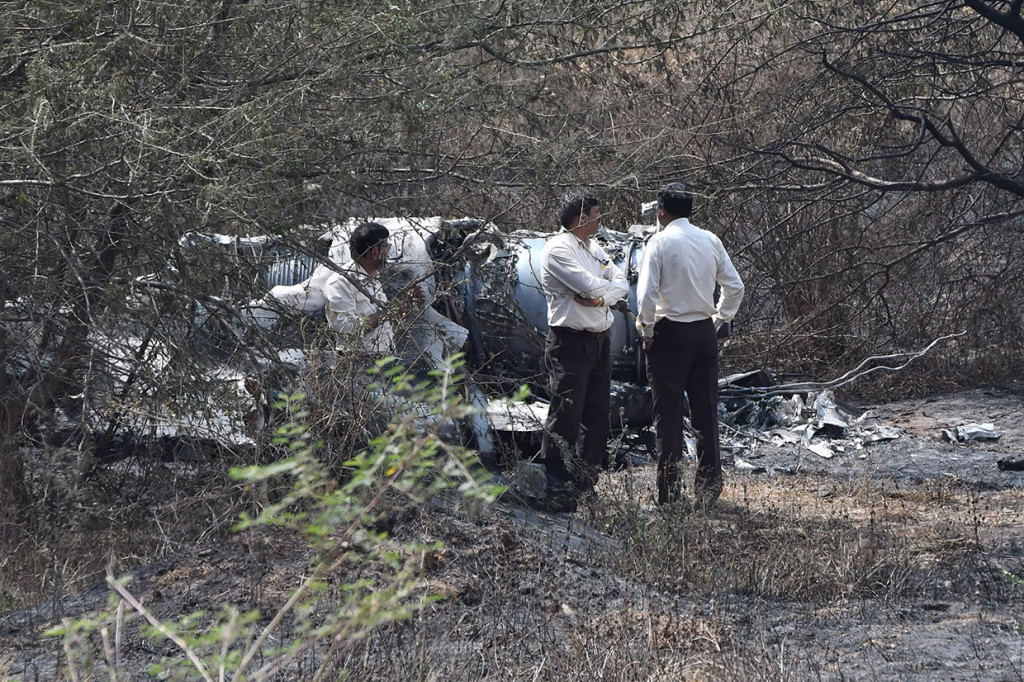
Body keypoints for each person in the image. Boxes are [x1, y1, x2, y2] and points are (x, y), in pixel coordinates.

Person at [636, 182, 744, 507]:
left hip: (669, 334)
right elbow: (735, 286)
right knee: (706, 413)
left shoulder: (659, 242)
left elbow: (645, 295)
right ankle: (709, 490)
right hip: (703, 333)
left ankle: (670, 495)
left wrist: (647, 330)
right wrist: (719, 319)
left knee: (667, 416)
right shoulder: (710, 239)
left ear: (662, 210)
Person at [538, 192, 629, 510]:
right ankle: (557, 491)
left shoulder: (593, 248)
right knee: (565, 417)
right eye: (596, 214)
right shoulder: (558, 250)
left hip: (598, 340)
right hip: (571, 342)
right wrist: (603, 291)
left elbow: (620, 282)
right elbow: (589, 286)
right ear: (581, 218)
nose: (599, 220)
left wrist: (603, 298)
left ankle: (584, 485)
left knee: (596, 418)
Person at [323, 221, 421, 355]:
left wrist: (408, 304)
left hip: (382, 359)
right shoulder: (340, 283)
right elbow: (347, 329)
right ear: (375, 252)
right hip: (357, 363)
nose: (388, 252)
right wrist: (389, 312)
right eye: (386, 246)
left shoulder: (373, 277)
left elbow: (381, 324)